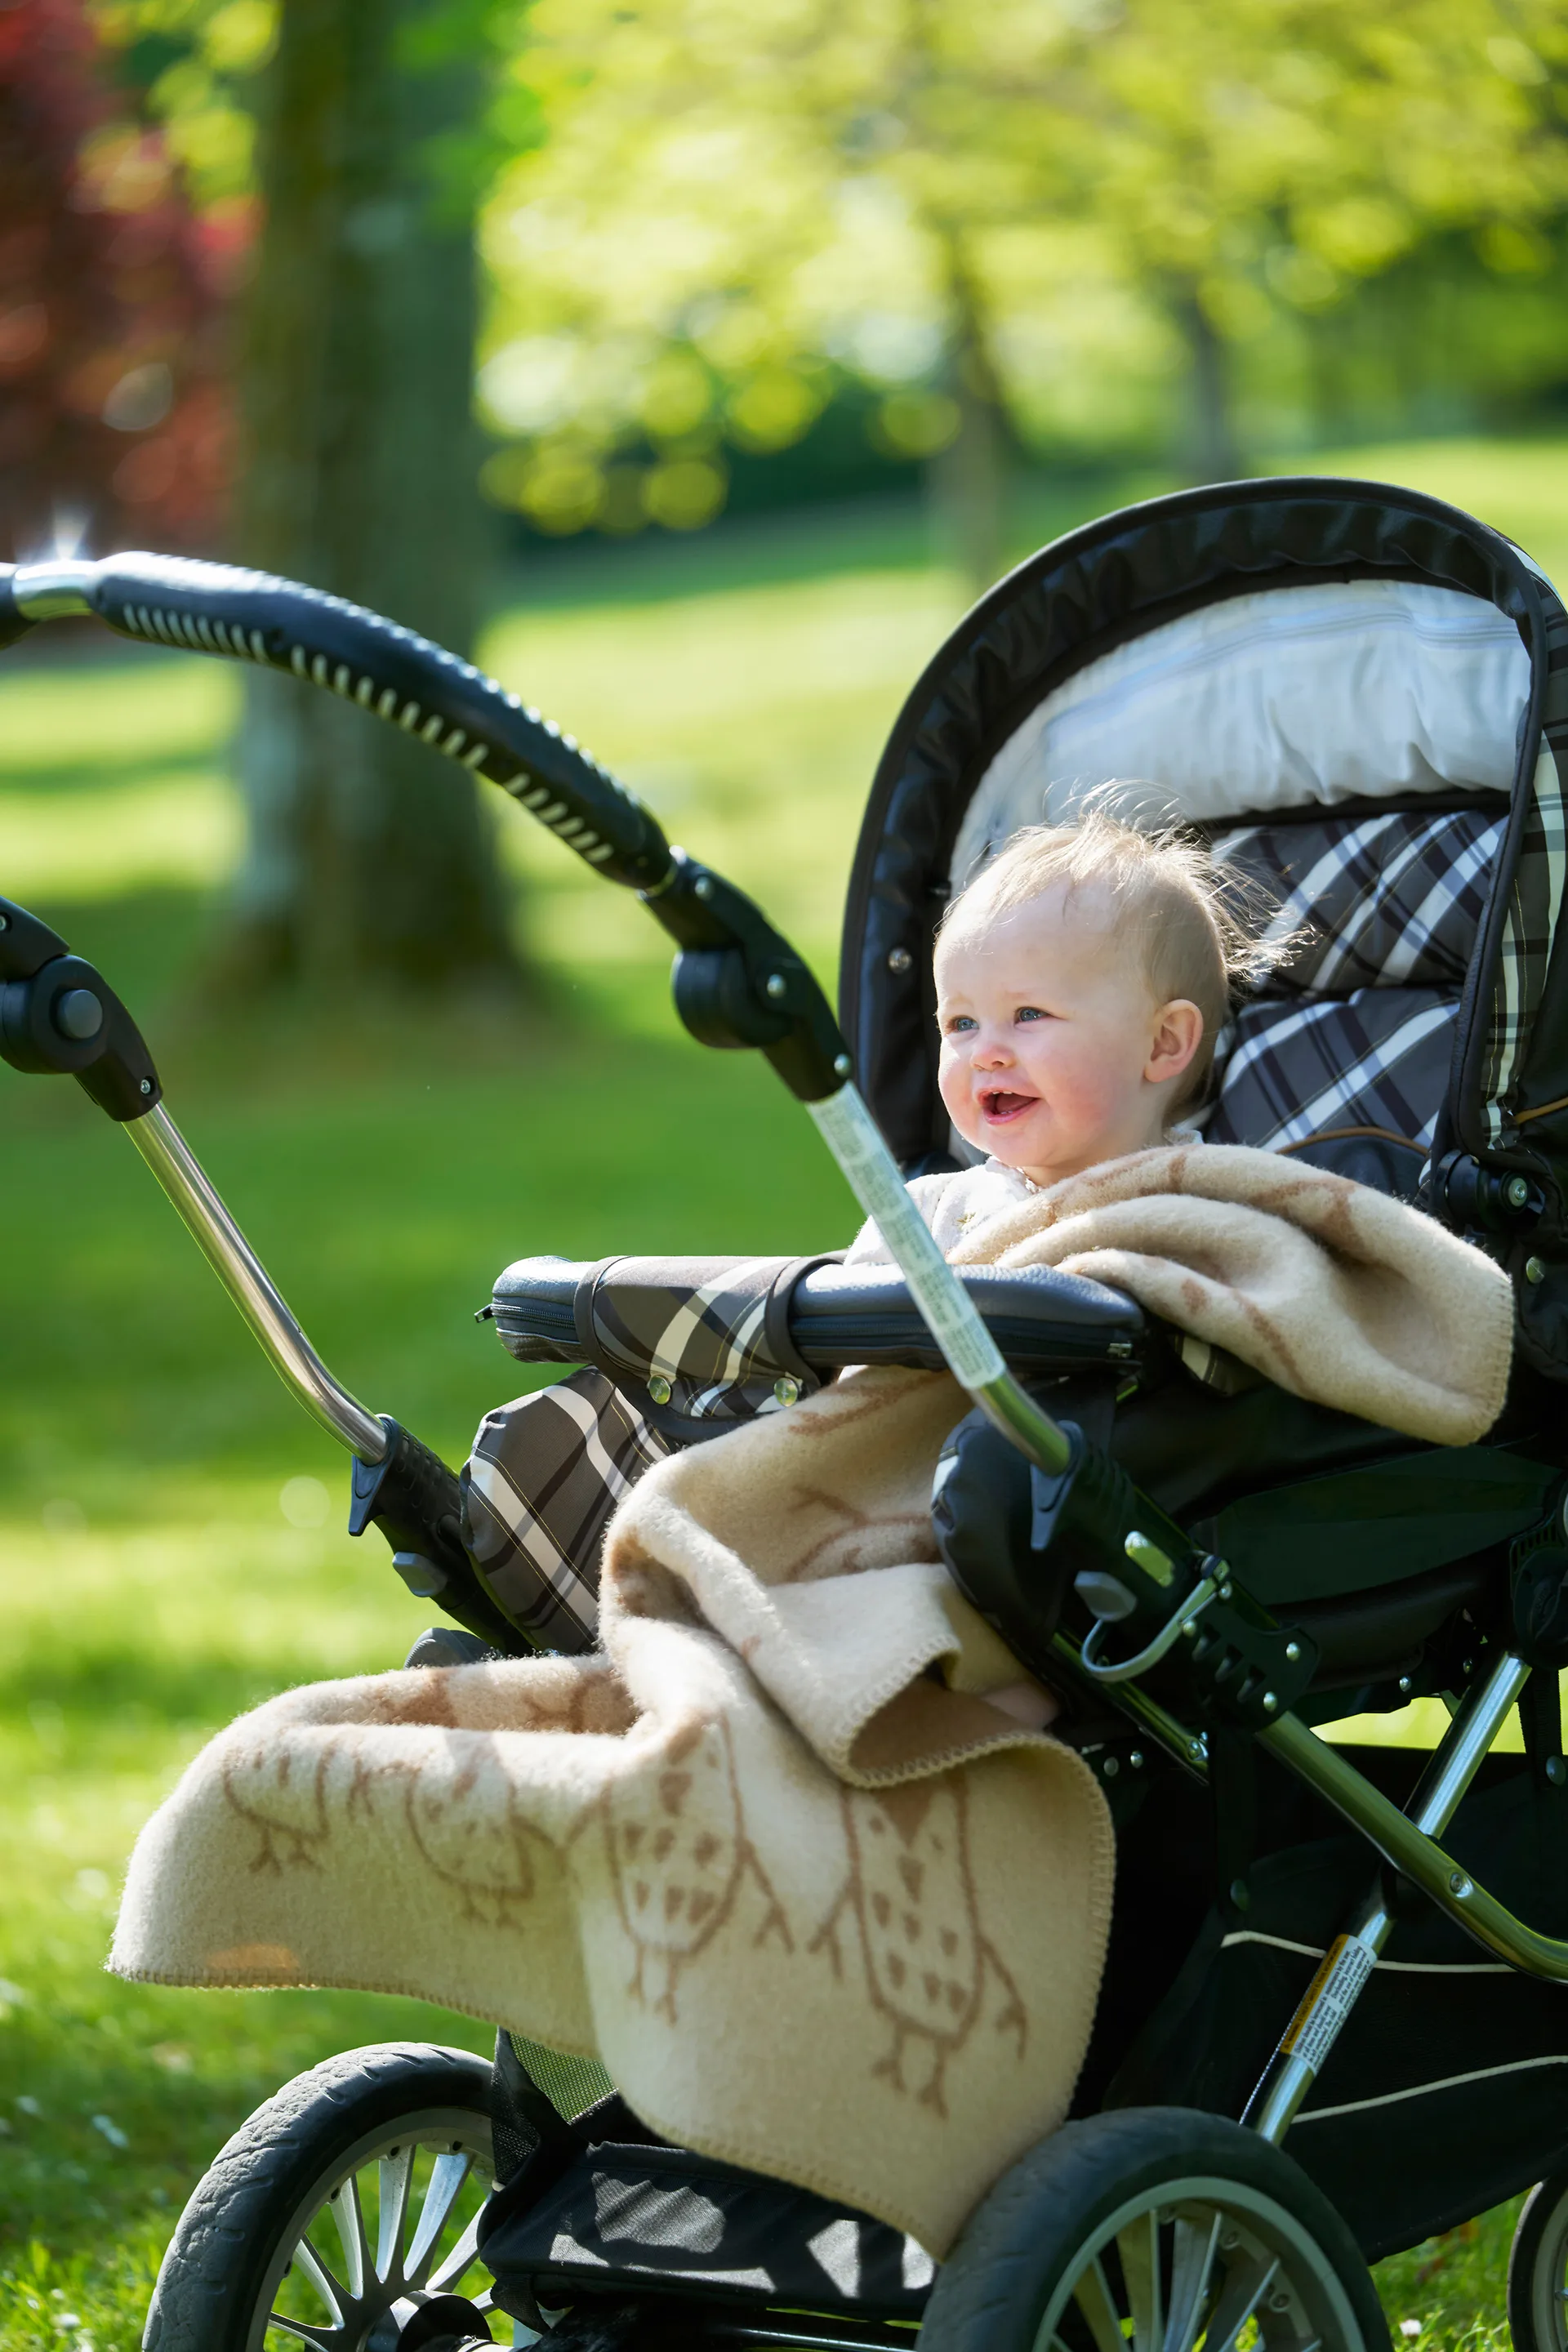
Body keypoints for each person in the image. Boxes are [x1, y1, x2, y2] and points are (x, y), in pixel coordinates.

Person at [845, 808, 1272, 1263]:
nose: (985, 1054)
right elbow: (853, 1307)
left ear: (1163, 1042)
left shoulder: (1221, 1210)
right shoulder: (925, 1217)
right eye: (962, 1023)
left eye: (1029, 1014)